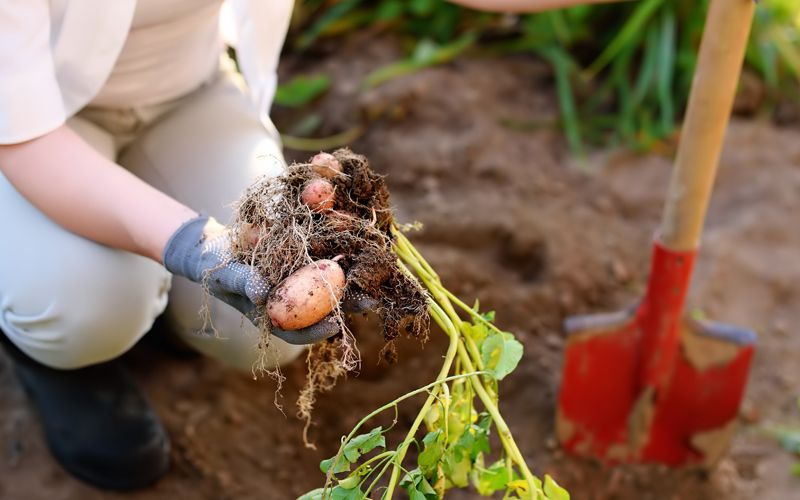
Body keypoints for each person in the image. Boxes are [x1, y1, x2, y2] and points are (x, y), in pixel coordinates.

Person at [0, 0, 619, 491]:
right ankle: (54, 356)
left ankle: (163, 303)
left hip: (184, 95)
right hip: (31, 137)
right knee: (85, 306)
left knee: (257, 331)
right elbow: (26, 140)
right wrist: (196, 247)